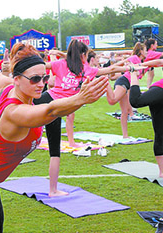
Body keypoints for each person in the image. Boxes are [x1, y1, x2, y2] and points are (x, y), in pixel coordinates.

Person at [0, 33, 109, 233]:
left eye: (44, 78)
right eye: (34, 79)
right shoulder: (15, 112)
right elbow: (51, 110)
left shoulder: (10, 87)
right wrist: (80, 98)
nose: (41, 84)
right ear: (16, 79)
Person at [33, 40, 144, 197]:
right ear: (83, 55)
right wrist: (132, 68)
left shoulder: (81, 68)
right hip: (48, 101)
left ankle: (53, 190)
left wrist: (130, 67)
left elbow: (111, 69)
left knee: (54, 151)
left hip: (57, 109)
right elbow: (39, 68)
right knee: (24, 132)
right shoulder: (65, 65)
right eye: (86, 54)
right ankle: (52, 189)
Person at [129, 47, 163, 178]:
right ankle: (133, 75)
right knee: (136, 101)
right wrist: (139, 66)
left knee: (160, 135)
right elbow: (159, 62)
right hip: (161, 90)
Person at [105, 42, 148, 138]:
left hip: (128, 86)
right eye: (145, 50)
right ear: (141, 51)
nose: (147, 53)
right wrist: (110, 68)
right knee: (112, 101)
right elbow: (124, 65)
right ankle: (105, 83)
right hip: (123, 82)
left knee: (125, 111)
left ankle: (125, 136)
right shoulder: (134, 58)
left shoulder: (141, 62)